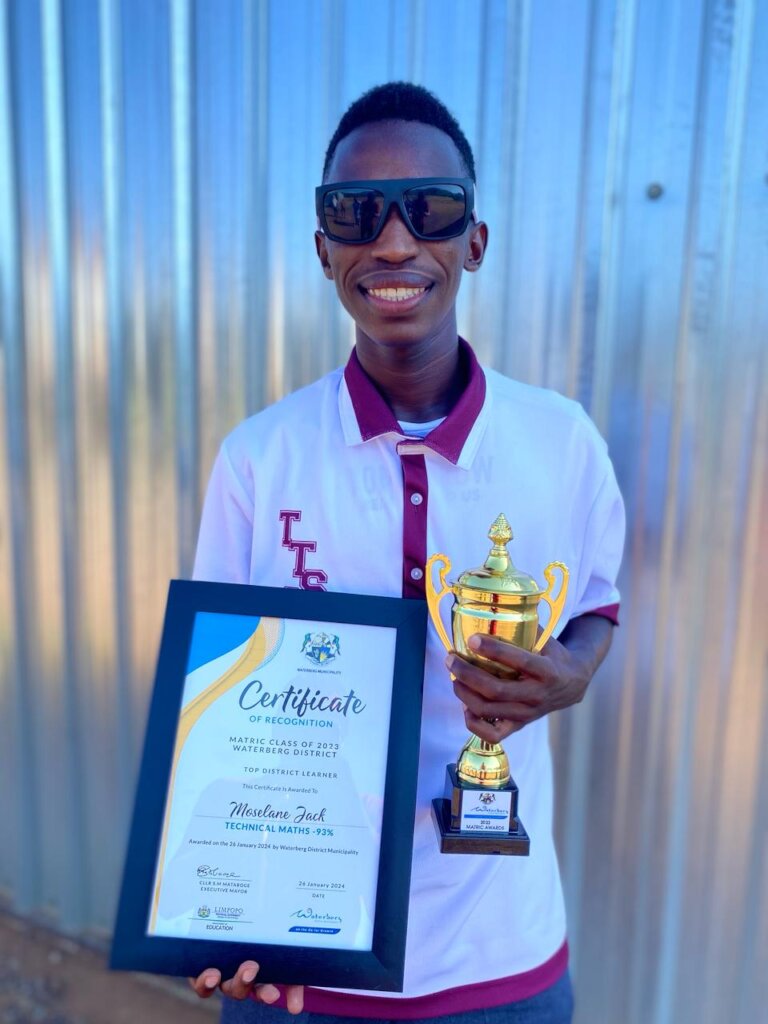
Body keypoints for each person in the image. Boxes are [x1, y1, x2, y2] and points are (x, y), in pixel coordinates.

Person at [190, 82, 624, 1024]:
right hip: (303, 962)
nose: (393, 242)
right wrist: (210, 906)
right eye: (355, 213)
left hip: (501, 955)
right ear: (324, 251)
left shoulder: (564, 442)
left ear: (475, 239)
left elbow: (595, 604)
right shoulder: (257, 461)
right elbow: (215, 700)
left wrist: (570, 674)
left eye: (430, 208)